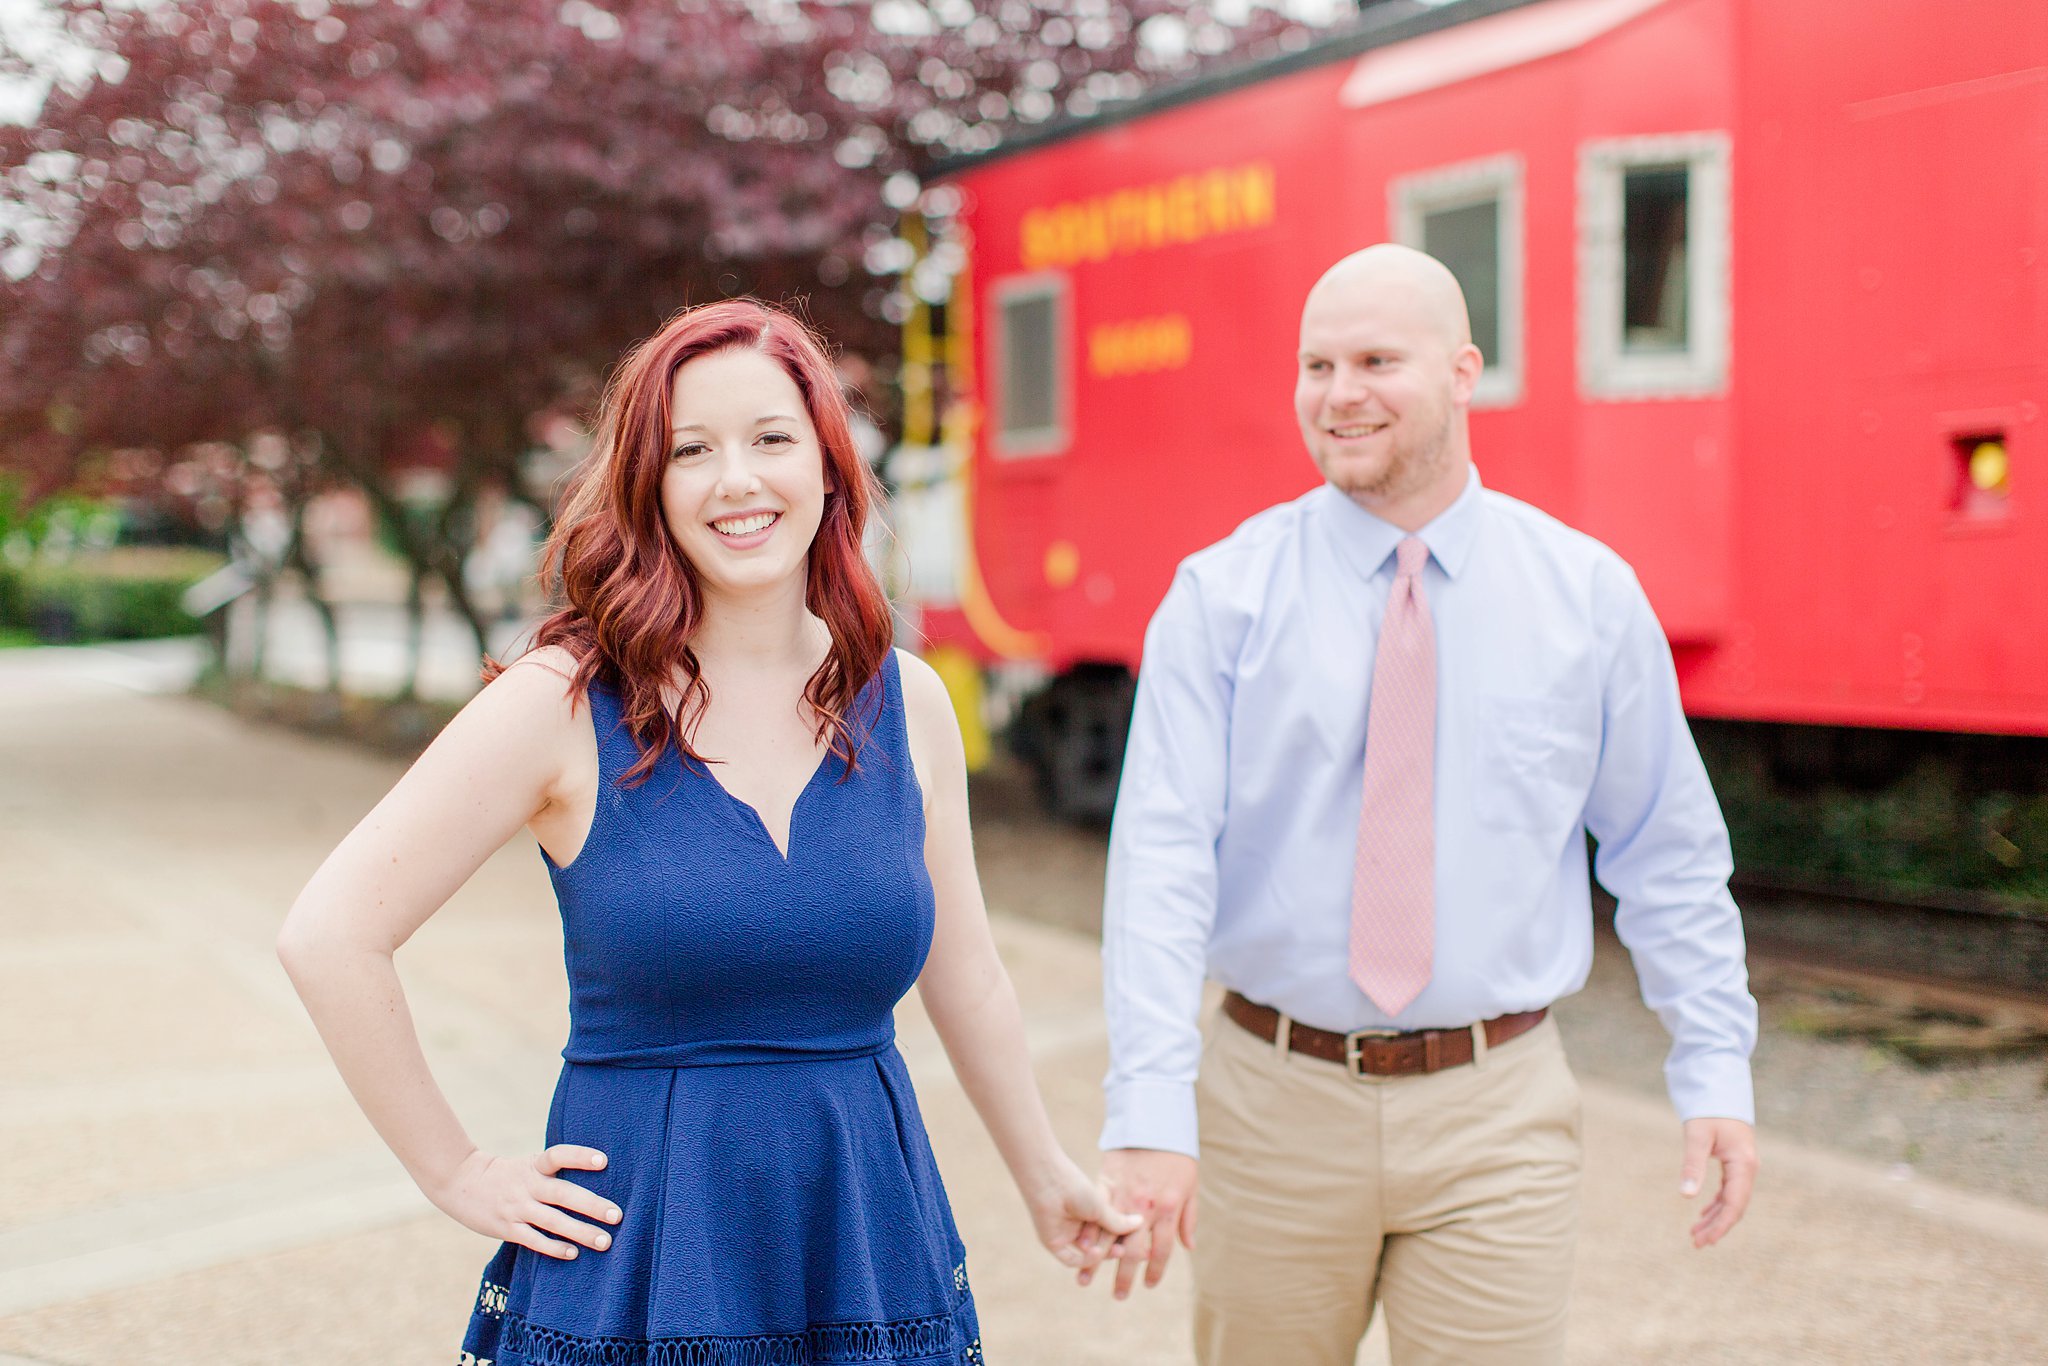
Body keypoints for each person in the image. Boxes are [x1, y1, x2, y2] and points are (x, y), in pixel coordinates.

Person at [278, 299, 1136, 1364]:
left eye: (770, 439)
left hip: (864, 1231)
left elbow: (967, 979)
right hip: (642, 1252)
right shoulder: (562, 701)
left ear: (827, 467)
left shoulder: (905, 701)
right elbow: (329, 933)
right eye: (691, 451)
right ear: (650, 486)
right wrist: (454, 1171)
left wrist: (1044, 1173)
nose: (736, 479)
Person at [1086, 245, 1760, 1365]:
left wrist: (1713, 1066)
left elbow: (1665, 850)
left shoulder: (1583, 596)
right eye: (1314, 363)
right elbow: (1159, 861)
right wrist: (1147, 1110)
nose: (1337, 391)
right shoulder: (1222, 596)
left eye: (1372, 360)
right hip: (1267, 1101)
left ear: (1461, 371)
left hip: (1497, 1111)